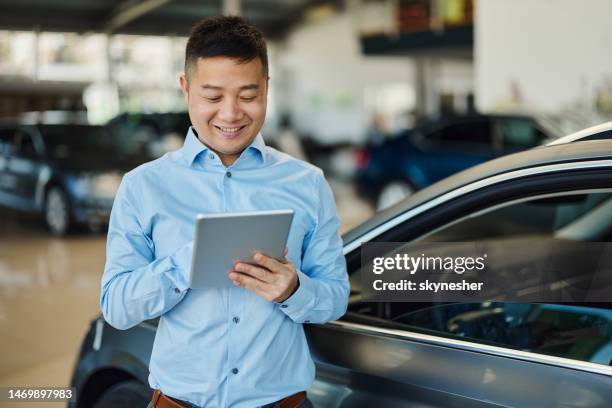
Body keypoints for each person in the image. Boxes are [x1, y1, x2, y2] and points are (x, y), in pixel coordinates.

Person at [100, 16, 350, 408]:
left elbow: (335, 298)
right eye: (213, 97)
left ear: (267, 88)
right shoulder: (143, 186)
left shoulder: (307, 183)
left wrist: (294, 290)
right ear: (186, 89)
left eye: (248, 96)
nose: (231, 114)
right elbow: (116, 306)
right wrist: (188, 261)